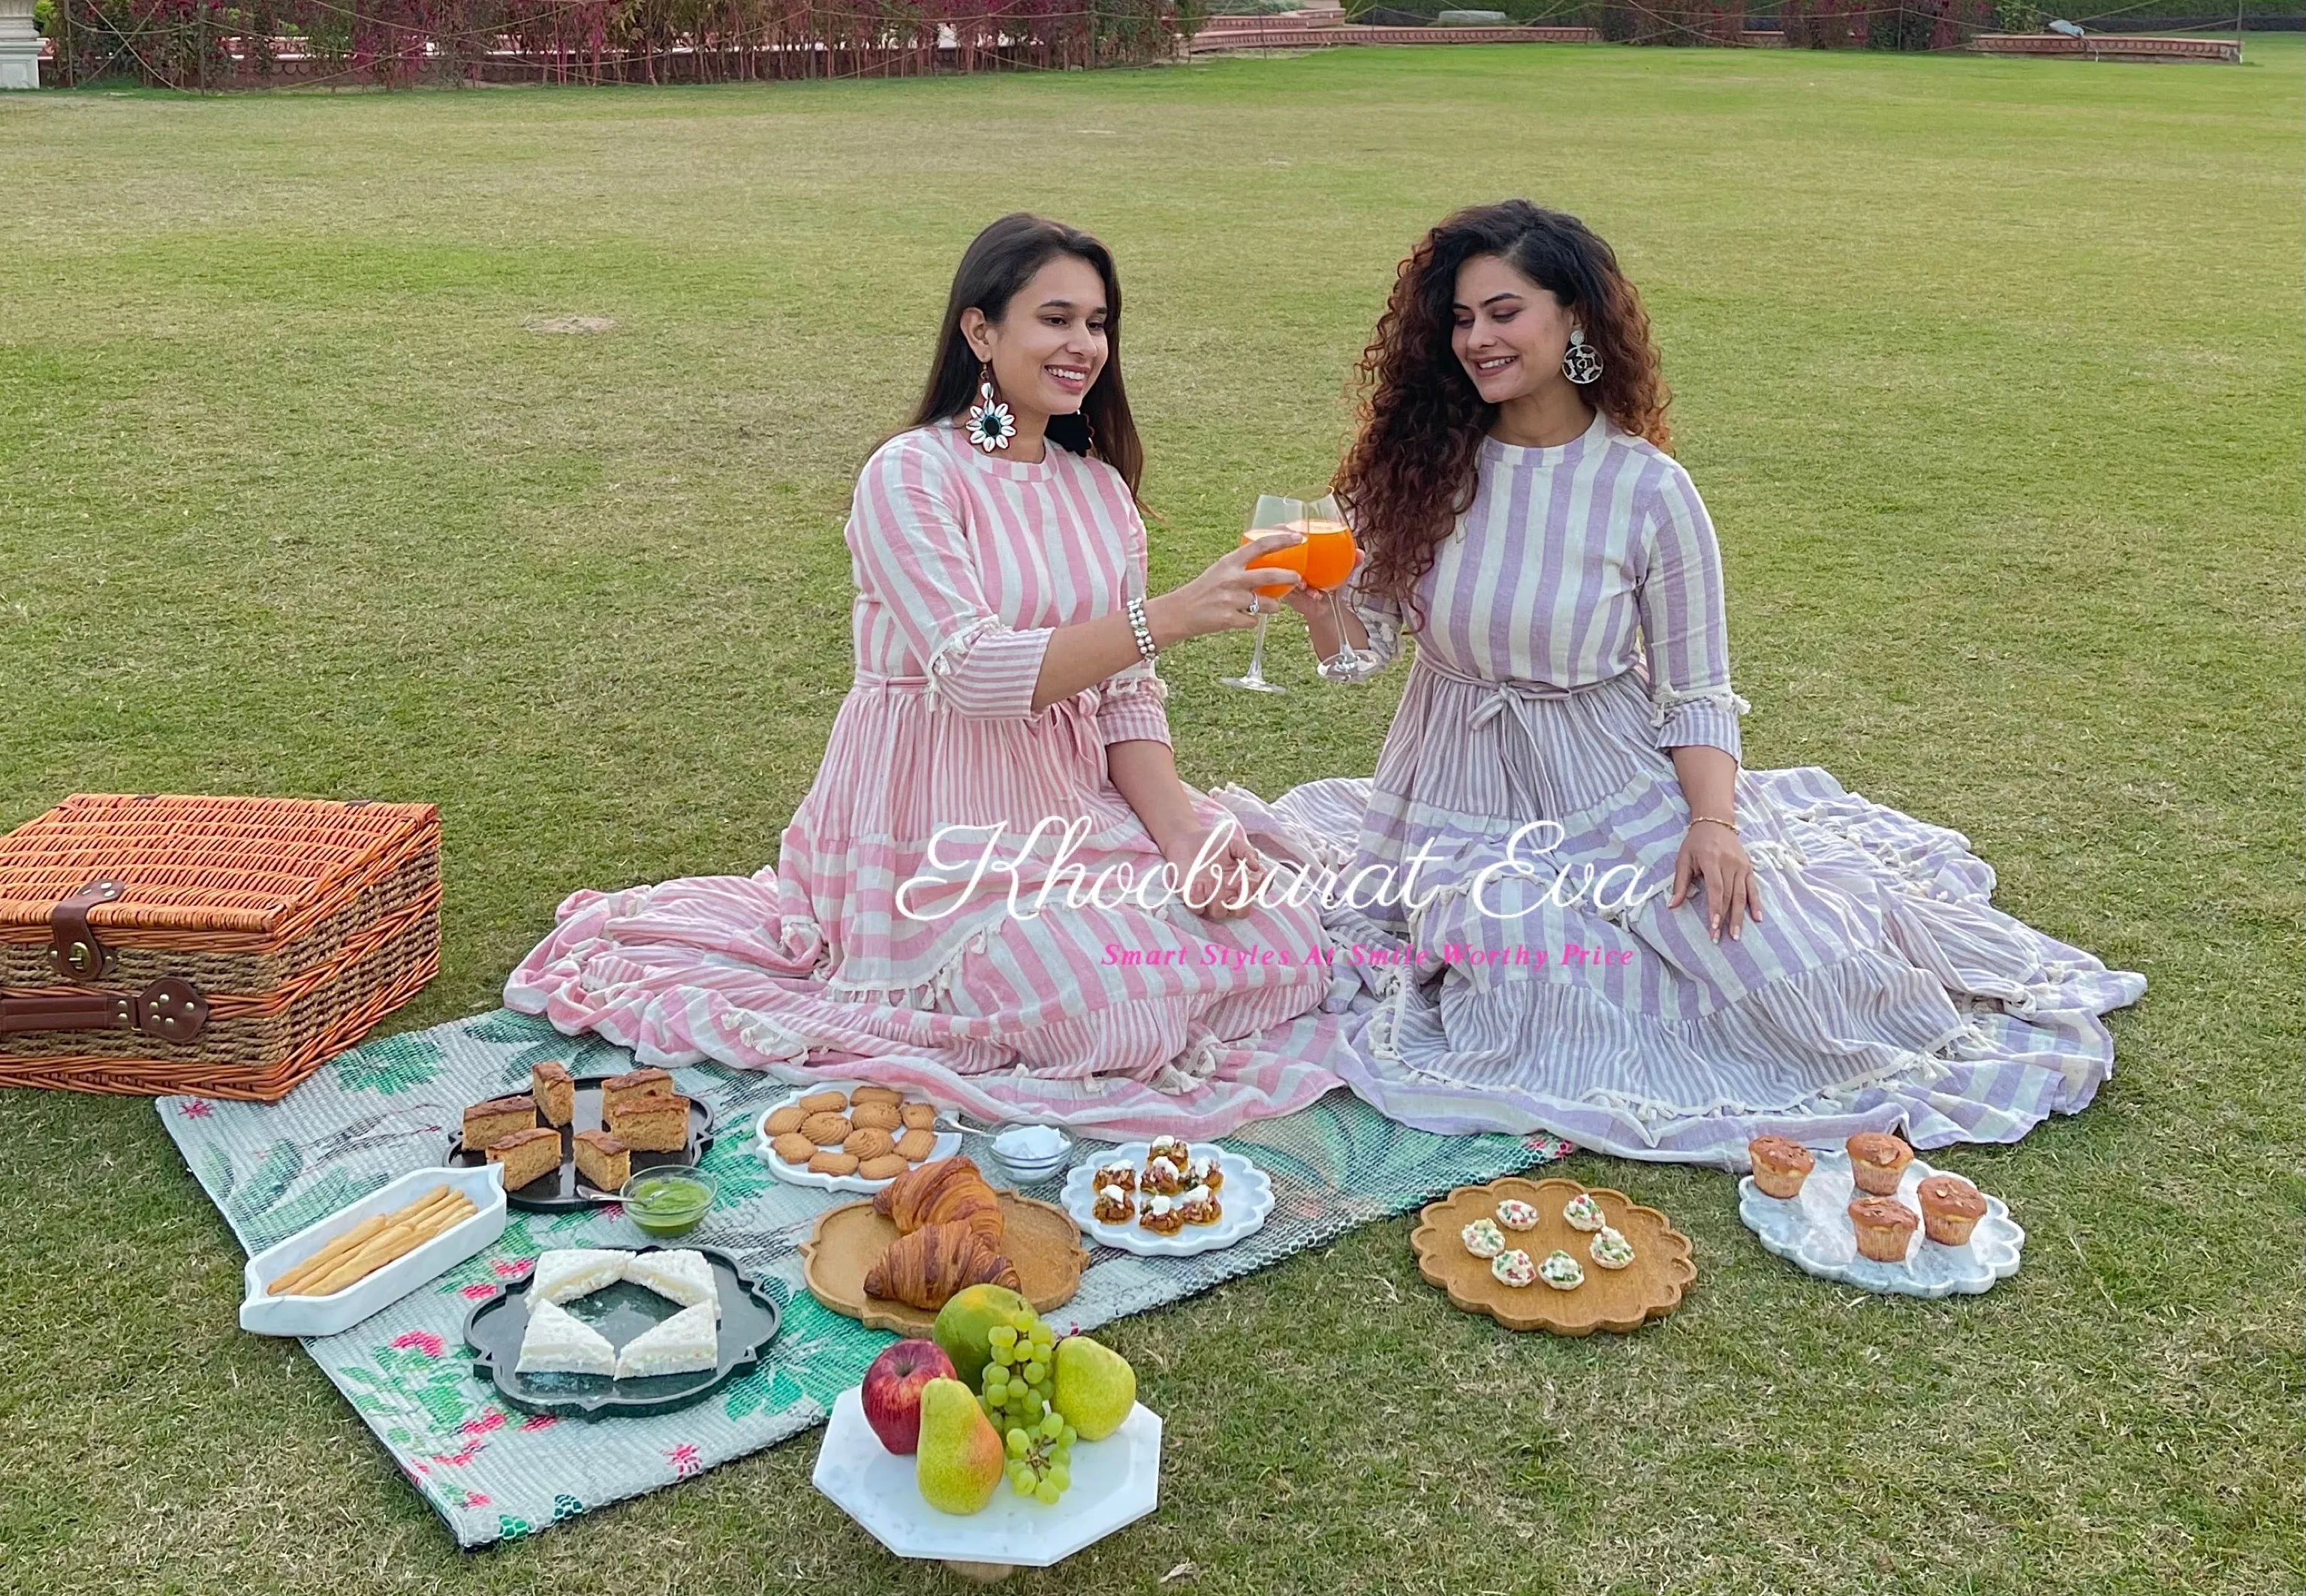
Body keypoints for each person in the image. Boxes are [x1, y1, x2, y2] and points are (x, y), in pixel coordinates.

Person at [1266, 200, 2144, 1161]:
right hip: (1452, 785)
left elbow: (1694, 688)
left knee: (1778, 958)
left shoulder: (1648, 490)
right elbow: (1367, 654)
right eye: (1463, 319)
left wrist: (1713, 825)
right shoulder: (1420, 468)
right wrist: (1318, 604)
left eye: (1505, 312)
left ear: (1575, 320)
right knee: (1527, 974)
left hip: (1607, 774)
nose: (1477, 339)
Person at [507, 214, 1344, 1135]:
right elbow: (974, 674)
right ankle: (1030, 964)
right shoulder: (912, 475)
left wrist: (1182, 835)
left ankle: (1121, 932)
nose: (1083, 346)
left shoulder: (1100, 491)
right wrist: (1172, 615)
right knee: (1103, 1001)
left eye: (1098, 323)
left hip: (1066, 804)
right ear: (981, 333)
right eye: (1055, 319)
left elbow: (1124, 697)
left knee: (1286, 935)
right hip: (935, 822)